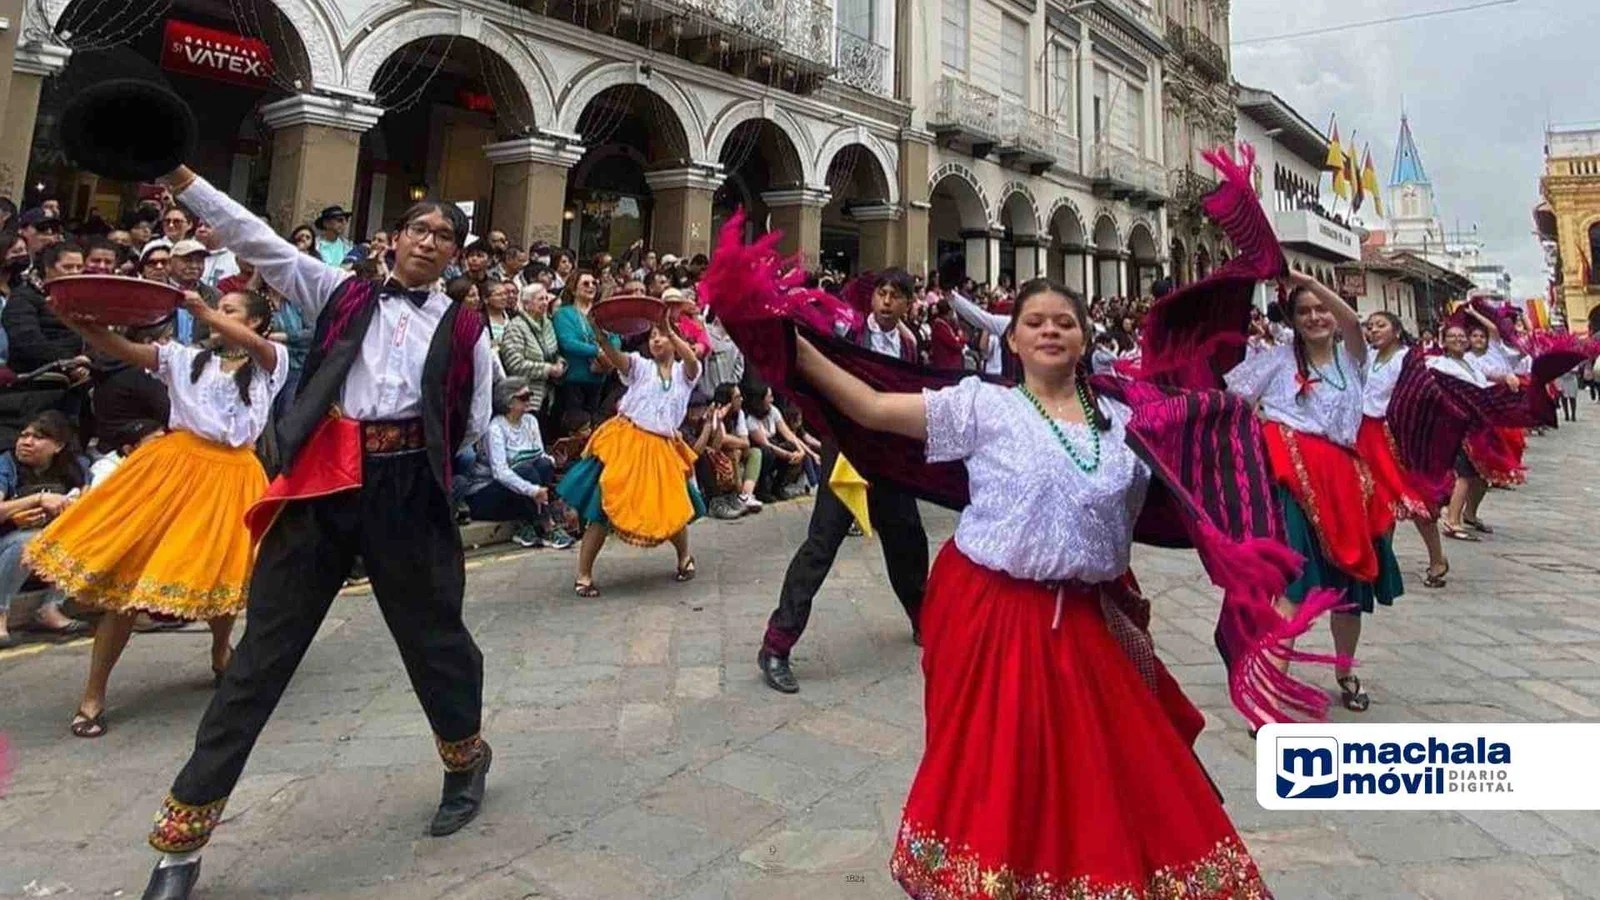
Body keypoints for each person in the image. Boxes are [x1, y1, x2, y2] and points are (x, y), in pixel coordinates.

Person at [784, 279, 1272, 899]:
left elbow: (1213, 459)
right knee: (1005, 772)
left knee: (1112, 771)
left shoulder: (1130, 423)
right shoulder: (983, 407)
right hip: (996, 616)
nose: (1049, 330)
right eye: (1034, 321)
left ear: (1084, 337)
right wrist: (796, 352)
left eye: (1063, 321)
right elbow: (873, 408)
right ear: (1010, 338)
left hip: (1091, 622)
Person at [136, 163, 494, 900]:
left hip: (407, 493)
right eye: (419, 230)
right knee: (261, 656)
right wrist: (180, 177)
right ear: (392, 239)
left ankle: (465, 761)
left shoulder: (465, 327)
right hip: (325, 482)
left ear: (456, 255)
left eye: (445, 237)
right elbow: (256, 240)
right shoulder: (338, 290)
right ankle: (181, 844)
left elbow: (478, 417)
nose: (430, 243)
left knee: (437, 641)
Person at [30, 291, 286, 739]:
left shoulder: (272, 359)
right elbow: (123, 349)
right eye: (217, 308)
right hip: (172, 469)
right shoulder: (184, 357)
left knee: (219, 575)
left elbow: (258, 347)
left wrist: (200, 309)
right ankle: (93, 695)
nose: (217, 316)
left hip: (232, 475)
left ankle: (221, 651)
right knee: (127, 586)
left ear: (259, 323)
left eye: (230, 310)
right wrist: (81, 323)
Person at [1224, 273, 1403, 714]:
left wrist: (1300, 279)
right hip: (1293, 477)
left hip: (1345, 482)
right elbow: (1233, 397)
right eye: (1303, 311)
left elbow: (1350, 321)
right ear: (1293, 319)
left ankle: (1345, 671)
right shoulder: (1277, 359)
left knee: (1350, 588)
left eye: (1321, 309)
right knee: (1292, 585)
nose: (1315, 317)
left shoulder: (1352, 356)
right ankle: (1268, 692)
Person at [759, 269, 927, 694]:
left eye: (896, 296)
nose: (887, 302)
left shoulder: (910, 344)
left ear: (908, 303)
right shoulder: (848, 332)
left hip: (888, 453)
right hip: (846, 452)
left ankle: (921, 617)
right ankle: (777, 644)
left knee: (907, 538)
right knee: (822, 543)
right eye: (882, 294)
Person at [557, 318, 703, 597]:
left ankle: (684, 558)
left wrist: (670, 329)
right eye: (653, 336)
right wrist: (601, 339)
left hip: (662, 448)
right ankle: (584, 575)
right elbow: (617, 359)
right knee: (601, 508)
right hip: (627, 442)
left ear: (675, 341)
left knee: (671, 507)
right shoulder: (641, 366)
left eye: (663, 336)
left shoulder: (686, 372)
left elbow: (693, 361)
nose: (656, 340)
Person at [1359, 311, 1449, 589]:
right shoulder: (1368, 358)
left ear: (1397, 331)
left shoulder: (1408, 359)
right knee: (1376, 500)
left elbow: (1423, 394)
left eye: (1381, 325)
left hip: (1395, 436)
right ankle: (1381, 563)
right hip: (1364, 434)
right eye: (1371, 326)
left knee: (1412, 498)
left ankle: (1437, 558)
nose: (1374, 330)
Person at [0, 412, 91, 649]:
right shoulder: (6, 464)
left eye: (38, 438)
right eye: (24, 435)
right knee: (29, 541)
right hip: (9, 543)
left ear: (58, 445)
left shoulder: (75, 467)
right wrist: (38, 499)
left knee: (82, 535)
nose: (26, 442)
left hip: (52, 543)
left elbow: (88, 502)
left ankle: (50, 608)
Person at [459, 378, 575, 549]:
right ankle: (547, 525)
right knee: (526, 471)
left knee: (543, 465)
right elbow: (500, 472)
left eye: (530, 396)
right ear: (509, 401)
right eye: (524, 397)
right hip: (487, 490)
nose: (529, 401)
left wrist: (554, 461)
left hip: (519, 488)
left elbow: (539, 455)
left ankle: (528, 524)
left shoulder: (531, 421)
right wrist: (533, 490)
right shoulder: (495, 429)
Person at [3, 240, 89, 375]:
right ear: (48, 268)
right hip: (40, 378)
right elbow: (28, 342)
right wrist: (71, 363)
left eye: (79, 267)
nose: (75, 272)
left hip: (82, 369)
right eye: (67, 267)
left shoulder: (81, 298)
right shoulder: (23, 297)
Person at [551, 270, 618, 423]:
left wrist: (610, 354)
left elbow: (615, 336)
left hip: (599, 379)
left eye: (594, 283)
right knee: (575, 426)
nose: (591, 286)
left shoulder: (602, 313)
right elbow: (567, 343)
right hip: (574, 380)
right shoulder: (564, 313)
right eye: (585, 283)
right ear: (574, 289)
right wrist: (597, 351)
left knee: (595, 423)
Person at [499, 283, 566, 428]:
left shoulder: (547, 324)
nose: (545, 302)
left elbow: (555, 353)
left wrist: (560, 363)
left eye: (546, 298)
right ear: (526, 304)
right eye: (540, 299)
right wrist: (548, 369)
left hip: (550, 396)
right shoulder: (515, 327)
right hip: (528, 399)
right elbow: (514, 365)